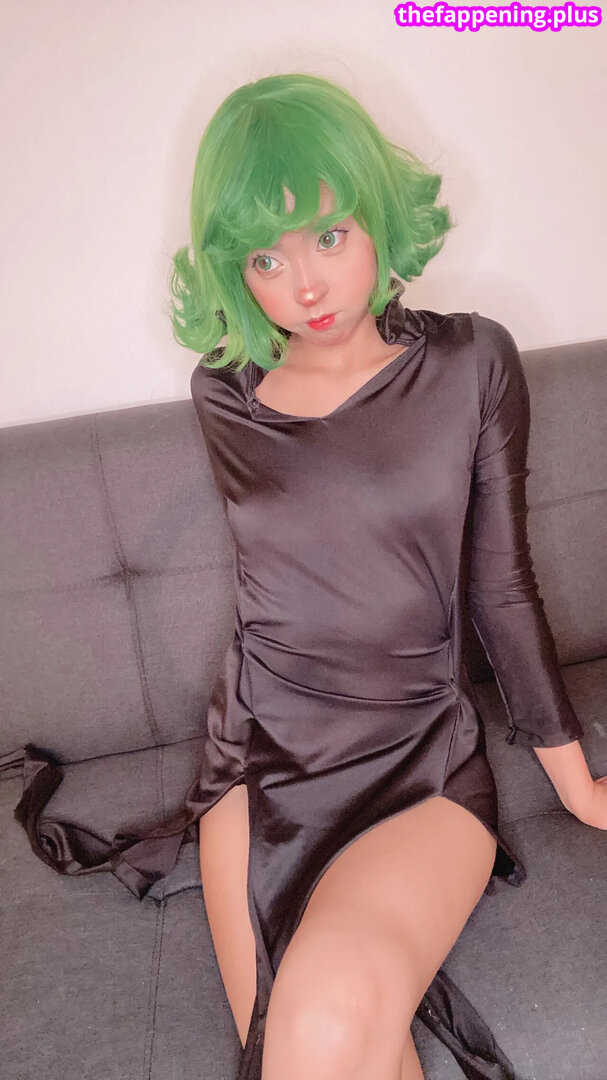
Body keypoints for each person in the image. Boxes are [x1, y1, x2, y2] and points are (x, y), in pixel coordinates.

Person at [9, 70, 605, 1080]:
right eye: (264, 257)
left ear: (375, 213)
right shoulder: (225, 394)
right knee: (307, 1043)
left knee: (324, 1017)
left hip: (419, 763)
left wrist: (577, 787)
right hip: (259, 761)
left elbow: (500, 589)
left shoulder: (472, 363)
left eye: (328, 235)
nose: (306, 287)